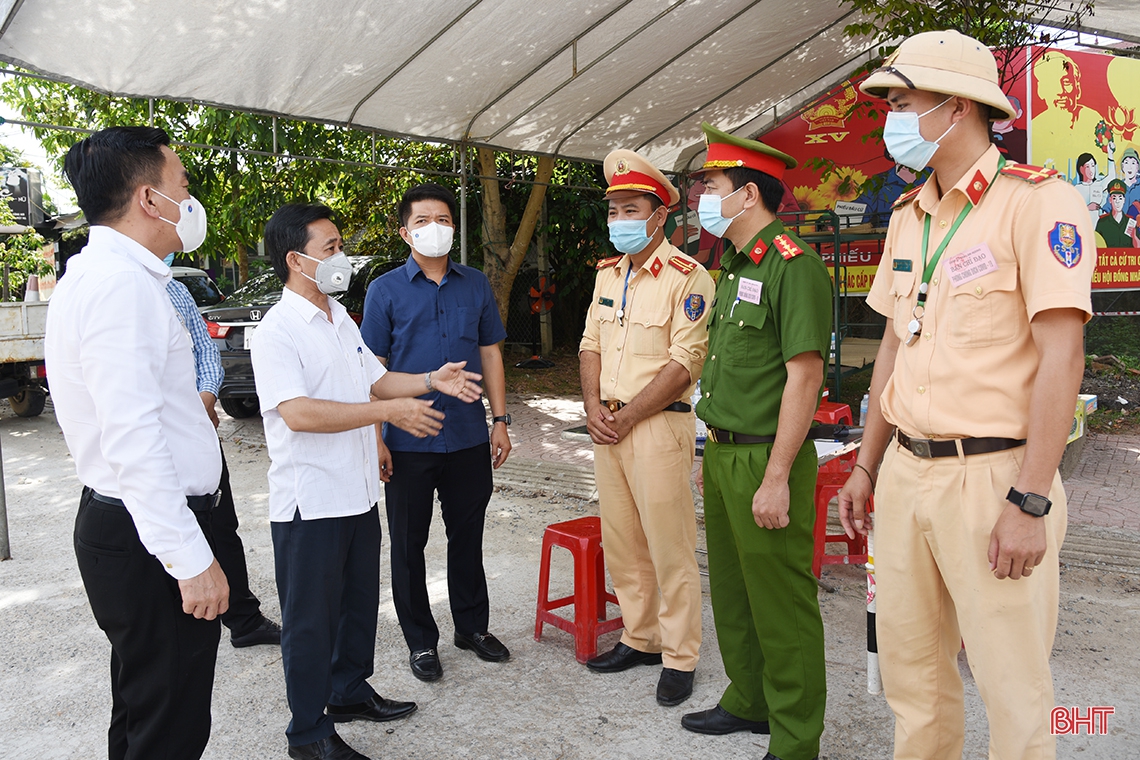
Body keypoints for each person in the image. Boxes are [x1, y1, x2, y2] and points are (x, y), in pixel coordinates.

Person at [839, 30, 1095, 760]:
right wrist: (867, 466)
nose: (892, 118)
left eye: (903, 102)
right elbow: (894, 346)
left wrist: (1030, 501)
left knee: (1014, 692)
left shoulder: (1037, 203)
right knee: (913, 683)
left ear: (956, 108)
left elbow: (1062, 358)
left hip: (995, 479)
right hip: (905, 475)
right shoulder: (908, 215)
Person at [251, 203, 485, 760]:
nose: (343, 258)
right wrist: (388, 415)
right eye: (331, 248)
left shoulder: (339, 318)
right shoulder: (277, 330)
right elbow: (298, 413)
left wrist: (431, 380)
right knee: (310, 622)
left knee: (357, 606)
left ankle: (349, 691)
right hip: (310, 501)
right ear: (296, 259)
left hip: (355, 493)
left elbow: (377, 381)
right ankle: (308, 733)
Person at [45, 126, 229, 760]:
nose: (190, 200)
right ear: (151, 199)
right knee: (168, 725)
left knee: (143, 707)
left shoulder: (106, 275)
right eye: (183, 186)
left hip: (131, 523)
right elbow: (133, 439)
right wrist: (189, 559)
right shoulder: (120, 286)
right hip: (146, 533)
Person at [681, 122, 832, 760]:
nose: (700, 199)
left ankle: (795, 739)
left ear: (747, 194)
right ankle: (749, 699)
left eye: (711, 185)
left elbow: (805, 377)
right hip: (724, 451)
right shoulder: (735, 264)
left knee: (782, 599)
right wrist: (707, 451)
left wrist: (775, 476)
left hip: (768, 457)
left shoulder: (793, 267)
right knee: (735, 589)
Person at [578, 150, 714, 706]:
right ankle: (641, 637)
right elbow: (590, 344)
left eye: (630, 210)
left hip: (657, 426)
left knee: (669, 545)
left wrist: (627, 415)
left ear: (659, 216)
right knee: (624, 541)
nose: (619, 221)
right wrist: (593, 407)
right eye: (613, 211)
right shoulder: (608, 273)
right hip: (607, 425)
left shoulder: (689, 276)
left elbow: (685, 363)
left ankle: (680, 655)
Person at [360, 183, 511, 682]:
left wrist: (500, 421)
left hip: (468, 435)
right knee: (408, 545)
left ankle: (472, 628)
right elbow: (372, 370)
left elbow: (490, 353)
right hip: (408, 440)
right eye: (423, 221)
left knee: (468, 537)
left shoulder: (475, 284)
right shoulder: (384, 290)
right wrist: (376, 437)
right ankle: (421, 641)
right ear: (406, 233)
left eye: (443, 219)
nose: (435, 228)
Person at [164, 260, 282, 647]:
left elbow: (206, 352)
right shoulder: (113, 292)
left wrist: (206, 397)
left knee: (221, 525)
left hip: (197, 431)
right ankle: (180, 619)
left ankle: (243, 619)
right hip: (154, 438)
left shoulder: (176, 290)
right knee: (167, 527)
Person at [1072, 147, 1116, 228]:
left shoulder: (1099, 185)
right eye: (1087, 167)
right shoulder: (1077, 189)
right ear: (1081, 169)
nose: (1091, 170)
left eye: (1093, 166)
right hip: (1082, 227)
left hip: (1098, 227)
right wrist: (1087, 208)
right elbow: (1072, 211)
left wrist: (1110, 154)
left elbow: (1112, 177)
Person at [1096, 179, 1137, 248]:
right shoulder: (1102, 223)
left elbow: (1137, 248)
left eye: (1120, 198)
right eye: (1114, 198)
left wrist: (1134, 236)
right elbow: (1096, 246)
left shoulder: (1130, 222)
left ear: (1124, 200)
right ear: (1110, 200)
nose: (1117, 201)